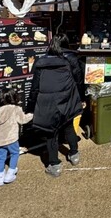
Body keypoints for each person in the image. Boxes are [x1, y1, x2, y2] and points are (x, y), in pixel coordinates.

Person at [29, 33, 84, 177]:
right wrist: (81, 98)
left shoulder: (40, 62)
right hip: (67, 99)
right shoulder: (70, 59)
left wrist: (31, 106)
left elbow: (35, 88)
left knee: (50, 134)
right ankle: (74, 155)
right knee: (69, 126)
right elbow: (78, 80)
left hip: (47, 103)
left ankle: (55, 165)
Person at [0, 86, 33, 186]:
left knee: (0, 158)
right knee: (15, 153)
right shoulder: (15, 109)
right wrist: (32, 115)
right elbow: (23, 120)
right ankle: (11, 173)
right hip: (11, 139)